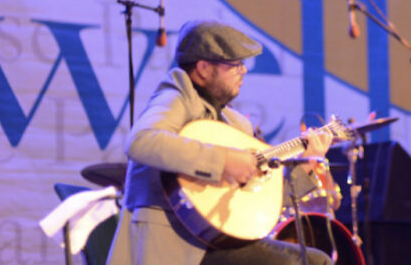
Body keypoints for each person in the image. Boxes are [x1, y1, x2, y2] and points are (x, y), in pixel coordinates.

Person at [107, 20, 334, 265]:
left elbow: (260, 204)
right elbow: (141, 141)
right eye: (234, 64)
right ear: (203, 68)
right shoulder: (176, 96)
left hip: (216, 238)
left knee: (319, 261)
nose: (243, 71)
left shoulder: (235, 124)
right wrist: (224, 161)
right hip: (173, 240)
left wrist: (305, 167)